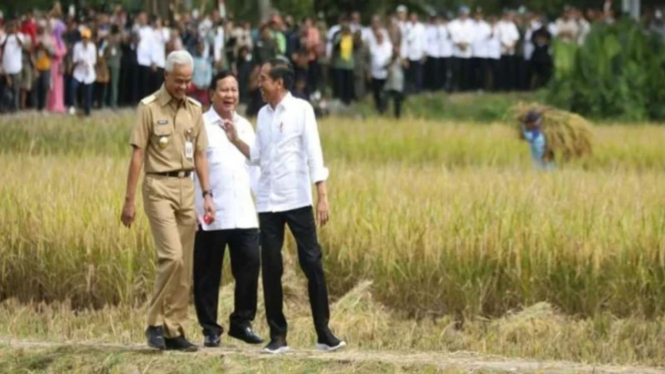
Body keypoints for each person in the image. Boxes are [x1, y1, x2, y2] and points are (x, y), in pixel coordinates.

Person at [222, 58, 346, 354]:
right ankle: (278, 336)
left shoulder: (302, 110)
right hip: (268, 203)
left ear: (279, 83)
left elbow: (314, 154)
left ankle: (323, 332)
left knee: (312, 263)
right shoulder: (263, 114)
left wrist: (323, 196)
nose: (259, 83)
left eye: (264, 78)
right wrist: (235, 139)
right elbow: (257, 156)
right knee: (272, 267)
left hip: (297, 199)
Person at [121, 50, 215, 352]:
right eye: (179, 81)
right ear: (166, 76)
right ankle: (153, 322)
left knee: (184, 265)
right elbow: (137, 155)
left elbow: (200, 155)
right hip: (157, 185)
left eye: (188, 81)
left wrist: (207, 194)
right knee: (171, 256)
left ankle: (174, 328)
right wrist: (129, 201)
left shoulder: (195, 109)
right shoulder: (148, 108)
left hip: (185, 187)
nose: (184, 86)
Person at [193, 71, 264, 348]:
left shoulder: (245, 125)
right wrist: (195, 206)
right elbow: (192, 170)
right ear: (212, 93)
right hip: (212, 210)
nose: (230, 95)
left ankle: (241, 322)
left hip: (244, 211)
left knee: (249, 267)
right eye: (224, 90)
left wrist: (263, 204)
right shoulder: (201, 125)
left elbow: (255, 166)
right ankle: (210, 328)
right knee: (207, 273)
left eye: (234, 89)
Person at [70, 27, 96, 116]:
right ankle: (72, 105)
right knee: (73, 86)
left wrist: (87, 62)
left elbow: (94, 60)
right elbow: (75, 59)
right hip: (79, 71)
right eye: (84, 38)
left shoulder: (92, 47)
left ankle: (87, 110)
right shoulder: (77, 46)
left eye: (87, 38)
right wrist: (81, 60)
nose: (85, 40)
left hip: (89, 73)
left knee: (87, 93)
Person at [0, 20, 25, 112]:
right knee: (5, 90)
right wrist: (7, 35)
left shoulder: (20, 36)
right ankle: (4, 108)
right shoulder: (5, 37)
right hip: (6, 69)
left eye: (13, 27)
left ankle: (15, 108)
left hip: (16, 68)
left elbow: (21, 43)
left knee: (15, 89)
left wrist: (15, 34)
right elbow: (1, 46)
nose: (11, 28)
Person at [47, 19, 67, 113]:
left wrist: (61, 53)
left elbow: (64, 50)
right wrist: (60, 53)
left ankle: (59, 104)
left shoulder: (60, 40)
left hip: (60, 63)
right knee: (53, 84)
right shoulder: (52, 39)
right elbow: (54, 52)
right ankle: (52, 104)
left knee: (59, 85)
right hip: (53, 63)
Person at [384, 45, 405, 118]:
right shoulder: (389, 59)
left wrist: (399, 57)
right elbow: (385, 66)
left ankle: (397, 115)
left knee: (397, 101)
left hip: (398, 84)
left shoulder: (401, 59)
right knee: (386, 99)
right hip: (389, 83)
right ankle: (385, 113)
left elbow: (406, 65)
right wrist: (392, 60)